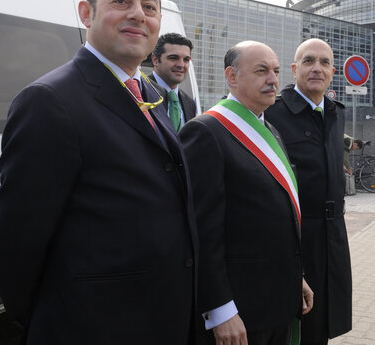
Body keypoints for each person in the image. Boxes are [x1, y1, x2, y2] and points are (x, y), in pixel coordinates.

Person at [0, 0, 198, 344]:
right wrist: (47, 321)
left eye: (149, 6)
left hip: (160, 319)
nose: (138, 14)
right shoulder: (49, 101)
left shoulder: (151, 93)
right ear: (87, 13)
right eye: (121, 1)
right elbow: (18, 242)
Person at [179, 41, 313, 345]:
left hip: (279, 300)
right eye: (262, 71)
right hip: (240, 312)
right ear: (232, 76)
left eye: (277, 71)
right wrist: (219, 309)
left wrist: (296, 278)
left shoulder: (271, 130)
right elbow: (201, 232)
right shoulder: (206, 132)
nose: (273, 80)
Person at [265, 38, 352, 345]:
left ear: (333, 72)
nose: (317, 68)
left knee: (323, 322)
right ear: (294, 68)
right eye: (309, 61)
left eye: (325, 62)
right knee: (294, 323)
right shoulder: (272, 113)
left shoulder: (336, 111)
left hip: (333, 236)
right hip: (296, 237)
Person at [150, 32, 198, 131]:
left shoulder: (189, 103)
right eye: (173, 58)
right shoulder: (138, 92)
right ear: (155, 60)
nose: (181, 64)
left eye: (186, 59)